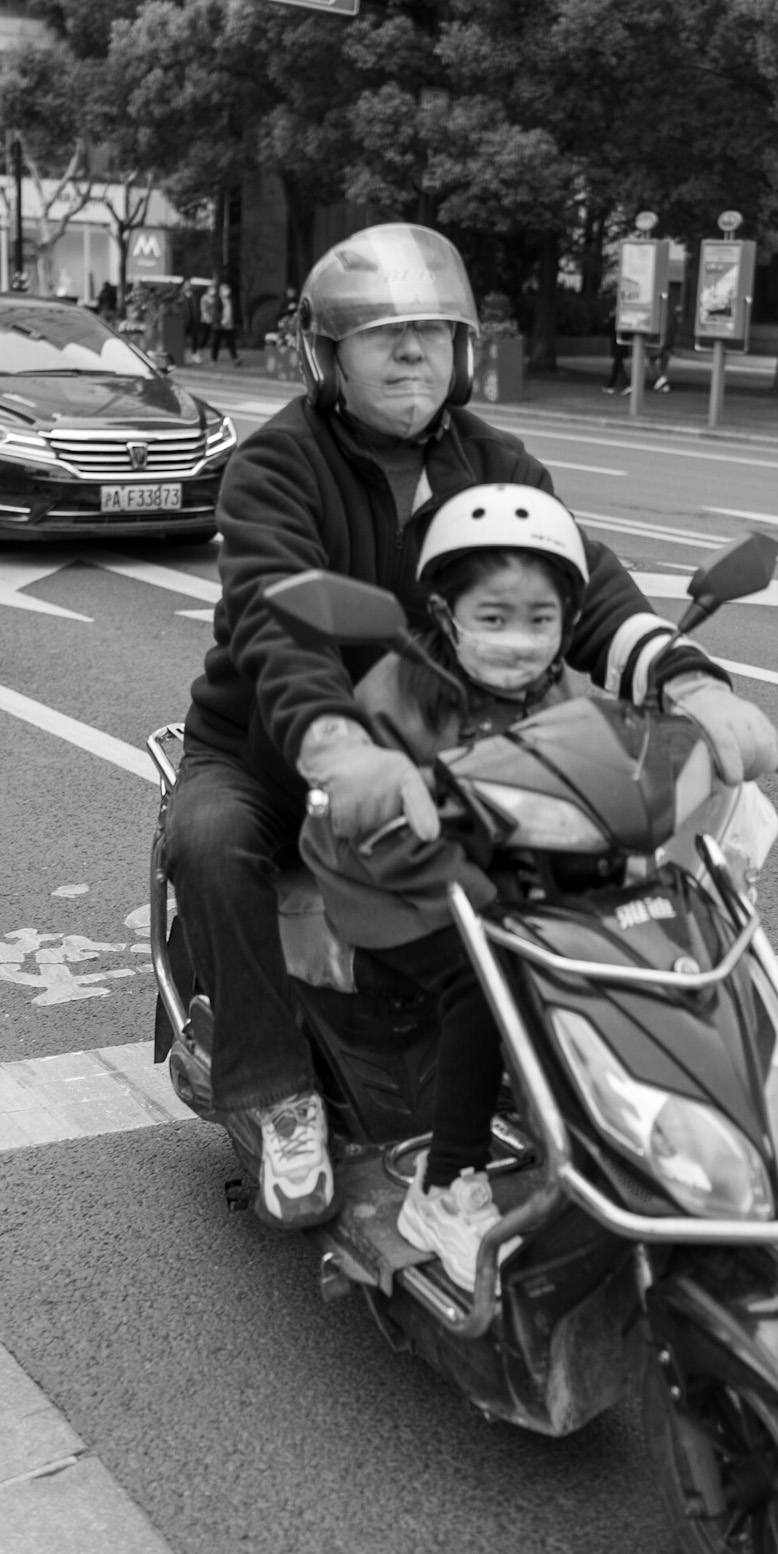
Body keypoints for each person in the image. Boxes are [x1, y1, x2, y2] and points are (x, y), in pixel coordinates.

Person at [163, 221, 778, 1232]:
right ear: (328, 354)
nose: (412, 352)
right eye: (383, 334)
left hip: (457, 740)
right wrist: (338, 748)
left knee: (590, 857)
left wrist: (695, 687)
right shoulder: (276, 465)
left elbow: (582, 585)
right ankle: (277, 1093)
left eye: (433, 332)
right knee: (210, 837)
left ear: (462, 351)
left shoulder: (495, 462)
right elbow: (281, 627)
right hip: (271, 749)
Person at [301, 484, 592, 1288]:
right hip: (388, 895)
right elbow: (368, 833)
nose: (518, 641)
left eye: (539, 619)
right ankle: (443, 1186)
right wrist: (490, 897)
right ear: (445, 613)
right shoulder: (396, 693)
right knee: (490, 972)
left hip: (496, 877)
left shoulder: (563, 690)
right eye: (493, 617)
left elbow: (608, 770)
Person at [209, 279, 241, 366]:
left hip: (229, 325)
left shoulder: (230, 300)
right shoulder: (217, 300)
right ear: (220, 290)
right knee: (216, 343)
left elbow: (233, 312)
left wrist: (233, 322)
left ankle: (235, 359)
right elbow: (215, 312)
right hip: (219, 325)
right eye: (223, 289)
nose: (225, 290)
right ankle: (213, 360)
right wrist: (221, 320)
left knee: (231, 343)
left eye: (226, 288)